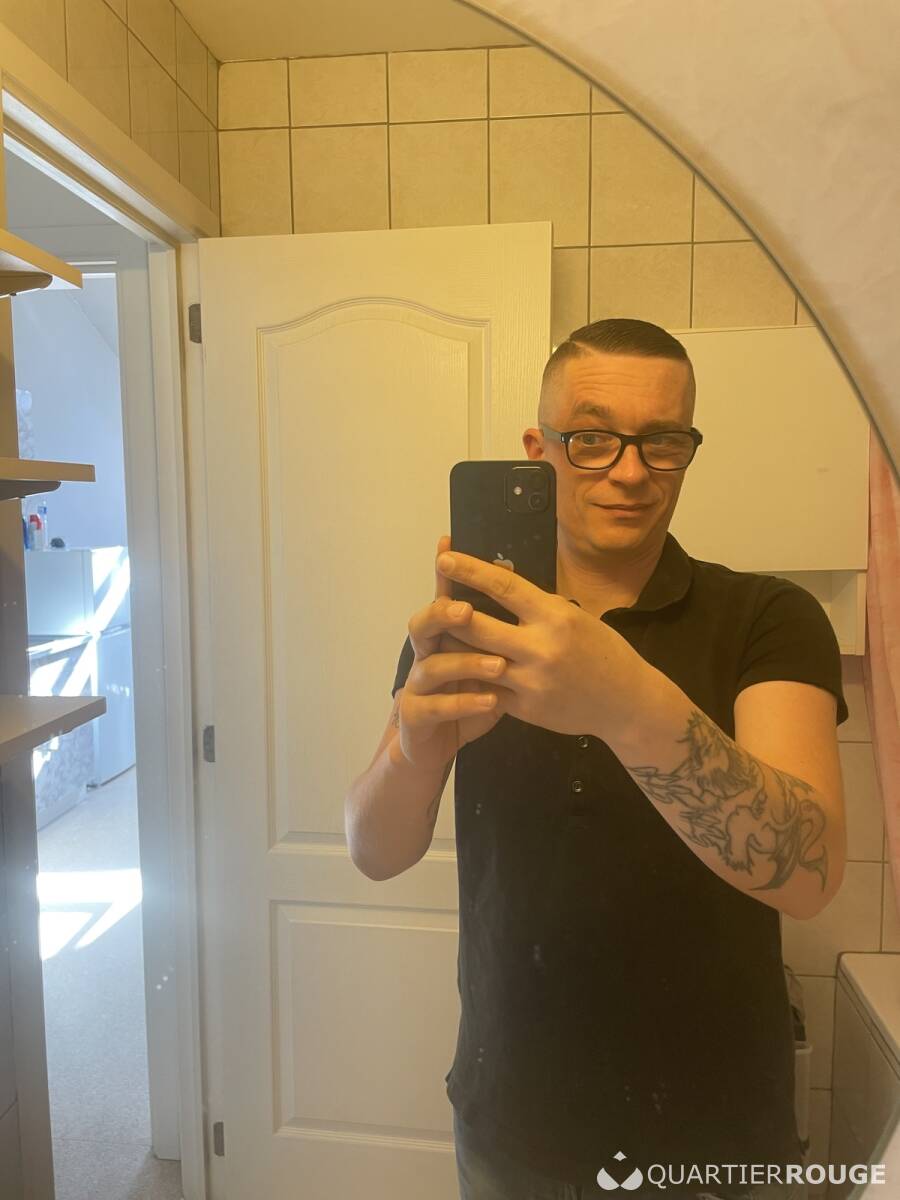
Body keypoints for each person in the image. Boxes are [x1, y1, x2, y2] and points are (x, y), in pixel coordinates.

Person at [344, 319, 848, 1200]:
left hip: (713, 1137)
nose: (630, 470)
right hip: (511, 1123)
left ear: (688, 449)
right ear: (539, 451)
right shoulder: (474, 625)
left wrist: (625, 701)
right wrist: (415, 751)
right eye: (592, 437)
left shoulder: (769, 617)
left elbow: (808, 874)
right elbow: (373, 851)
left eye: (663, 440)